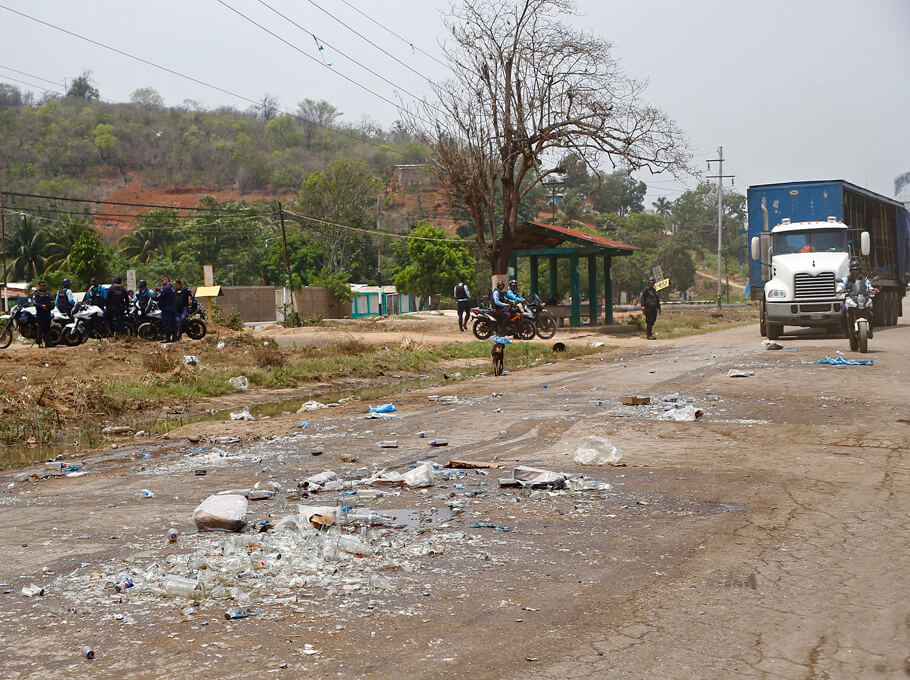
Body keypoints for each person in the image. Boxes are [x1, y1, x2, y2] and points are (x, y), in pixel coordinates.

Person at [838, 258, 878, 338]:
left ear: (860, 270)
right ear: (851, 270)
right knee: (842, 311)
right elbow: (840, 287)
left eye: (857, 270)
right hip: (850, 298)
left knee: (872, 312)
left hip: (862, 298)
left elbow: (869, 286)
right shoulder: (846, 279)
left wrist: (873, 289)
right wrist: (841, 290)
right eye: (853, 270)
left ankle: (870, 330)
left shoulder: (864, 279)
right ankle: (845, 331)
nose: (855, 271)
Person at [33, 280, 55, 347]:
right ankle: (39, 343)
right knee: (41, 328)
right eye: (42, 285)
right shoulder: (36, 293)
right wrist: (41, 306)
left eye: (44, 285)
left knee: (47, 328)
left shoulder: (48, 293)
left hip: (47, 313)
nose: (43, 287)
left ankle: (48, 342)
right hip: (40, 313)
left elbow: (52, 300)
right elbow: (35, 302)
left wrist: (50, 306)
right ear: (39, 286)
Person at [155, 276, 177, 343]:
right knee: (173, 324)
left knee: (167, 324)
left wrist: (155, 294)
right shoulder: (172, 287)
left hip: (167, 309)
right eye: (162, 280)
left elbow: (159, 297)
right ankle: (174, 338)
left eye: (164, 280)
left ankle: (167, 338)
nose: (163, 281)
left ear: (168, 280)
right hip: (173, 308)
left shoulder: (166, 288)